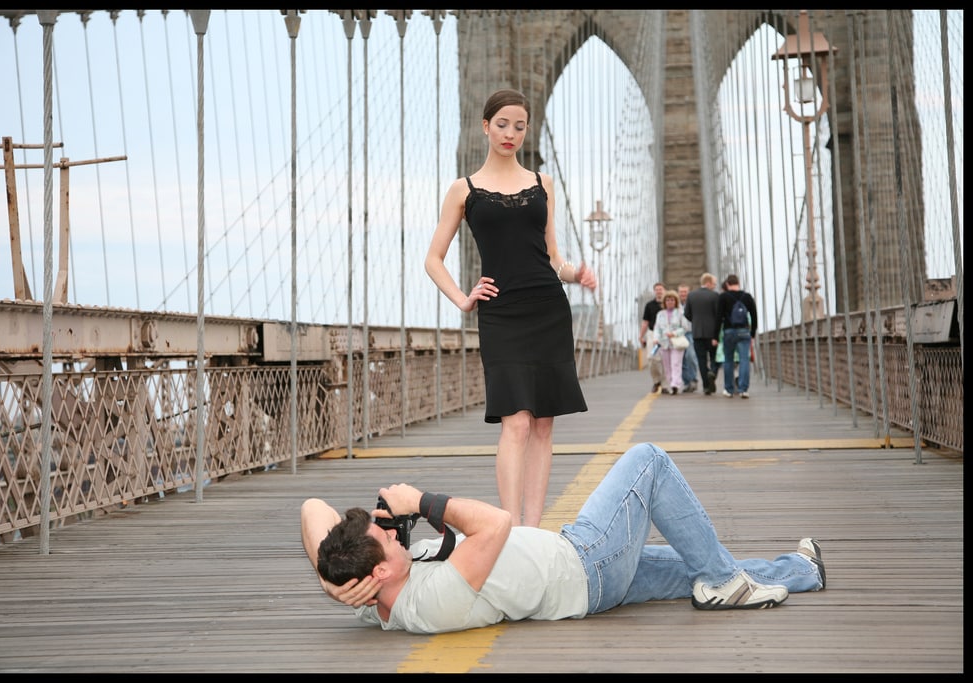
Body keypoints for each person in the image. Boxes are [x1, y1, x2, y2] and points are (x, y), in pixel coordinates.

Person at [301, 442, 826, 635]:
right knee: (648, 460)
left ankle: (800, 571)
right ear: (380, 572)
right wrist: (422, 502)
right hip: (589, 561)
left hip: (585, 578)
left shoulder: (371, 597)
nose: (395, 535)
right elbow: (498, 524)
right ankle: (720, 582)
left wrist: (331, 586)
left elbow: (311, 508)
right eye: (388, 540)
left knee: (691, 563)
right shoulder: (429, 601)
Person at [424, 88, 597, 528]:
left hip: (548, 308)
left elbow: (554, 258)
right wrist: (464, 299)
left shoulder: (543, 184)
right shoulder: (463, 190)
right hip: (500, 313)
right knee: (515, 422)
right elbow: (432, 259)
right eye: (502, 124)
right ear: (485, 126)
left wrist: (577, 274)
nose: (510, 133)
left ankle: (533, 531)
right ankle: (511, 528)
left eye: (519, 126)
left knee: (542, 425)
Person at [717, 274, 758, 398]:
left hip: (729, 332)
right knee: (744, 360)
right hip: (744, 332)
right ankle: (743, 389)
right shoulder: (747, 296)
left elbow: (718, 317)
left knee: (728, 360)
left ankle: (729, 390)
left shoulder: (723, 297)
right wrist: (752, 333)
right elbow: (754, 316)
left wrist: (715, 336)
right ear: (738, 283)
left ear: (727, 284)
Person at [683, 272, 721, 395]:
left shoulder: (691, 295)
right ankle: (713, 372)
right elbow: (718, 315)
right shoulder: (715, 296)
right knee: (716, 357)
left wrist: (695, 322)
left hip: (697, 332)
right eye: (714, 284)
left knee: (701, 360)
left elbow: (687, 314)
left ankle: (706, 386)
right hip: (712, 334)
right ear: (708, 283)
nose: (714, 286)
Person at [652, 289, 688, 395]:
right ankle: (669, 383)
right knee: (666, 365)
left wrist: (675, 333)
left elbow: (685, 328)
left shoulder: (681, 313)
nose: (670, 302)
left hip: (676, 342)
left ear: (676, 301)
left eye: (672, 300)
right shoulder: (660, 314)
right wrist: (655, 338)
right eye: (667, 300)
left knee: (676, 363)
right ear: (664, 302)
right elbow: (657, 328)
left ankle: (675, 384)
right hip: (664, 343)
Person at [638, 282, 667, 393]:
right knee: (651, 358)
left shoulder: (668, 303)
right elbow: (645, 322)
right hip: (652, 334)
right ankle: (656, 381)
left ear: (664, 290)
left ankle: (664, 384)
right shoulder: (649, 305)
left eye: (661, 289)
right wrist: (641, 336)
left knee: (665, 360)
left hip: (665, 336)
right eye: (657, 289)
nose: (659, 291)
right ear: (654, 291)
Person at [677, 283, 699, 393]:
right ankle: (687, 382)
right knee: (680, 359)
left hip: (691, 332)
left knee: (691, 356)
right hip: (678, 334)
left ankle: (694, 378)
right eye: (681, 292)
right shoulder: (675, 305)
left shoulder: (694, 303)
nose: (683, 294)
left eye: (685, 292)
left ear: (689, 292)